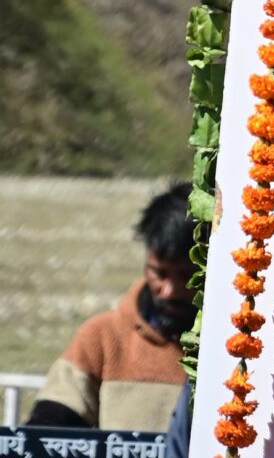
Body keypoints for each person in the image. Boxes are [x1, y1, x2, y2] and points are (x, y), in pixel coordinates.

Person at [30, 182, 192, 430]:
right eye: (160, 273)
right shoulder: (102, 337)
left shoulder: (238, 350)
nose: (170, 290)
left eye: (185, 276)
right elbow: (46, 434)